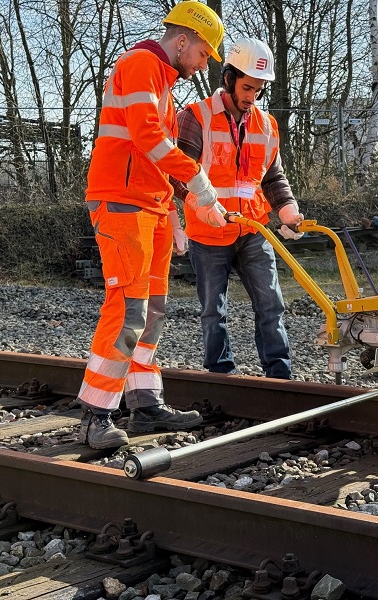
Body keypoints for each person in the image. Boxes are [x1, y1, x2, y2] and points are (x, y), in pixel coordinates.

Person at [78, 1, 230, 450]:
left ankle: (144, 404)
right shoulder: (141, 64)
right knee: (128, 308)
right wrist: (198, 180)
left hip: (152, 206)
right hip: (123, 203)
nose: (203, 65)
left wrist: (178, 211)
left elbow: (154, 157)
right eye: (203, 54)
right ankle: (95, 415)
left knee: (153, 308)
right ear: (182, 41)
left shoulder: (162, 79)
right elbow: (148, 137)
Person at [172, 37, 303, 380]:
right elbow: (178, 176)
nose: (251, 97)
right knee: (213, 311)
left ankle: (280, 375)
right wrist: (201, 207)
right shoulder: (195, 117)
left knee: (271, 305)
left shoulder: (266, 124)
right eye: (247, 87)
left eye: (258, 90)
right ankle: (221, 377)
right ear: (229, 79)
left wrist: (288, 210)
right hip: (209, 232)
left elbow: (273, 177)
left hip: (253, 229)